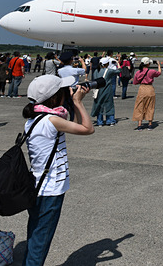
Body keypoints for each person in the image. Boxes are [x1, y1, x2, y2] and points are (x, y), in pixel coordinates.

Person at [22, 74, 94, 266]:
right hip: (50, 189)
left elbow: (78, 126)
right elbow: (88, 128)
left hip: (37, 186)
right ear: (54, 98)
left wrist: (75, 102)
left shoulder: (36, 119)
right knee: (41, 240)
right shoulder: (51, 121)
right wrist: (77, 102)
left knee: (36, 233)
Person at [132, 58, 161, 130]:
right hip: (150, 88)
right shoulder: (151, 71)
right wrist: (159, 65)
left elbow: (135, 82)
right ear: (148, 64)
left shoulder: (138, 72)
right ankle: (150, 124)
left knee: (140, 106)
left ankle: (139, 125)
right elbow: (159, 73)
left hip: (142, 89)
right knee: (150, 106)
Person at [91, 57, 119, 126]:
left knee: (99, 104)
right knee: (109, 104)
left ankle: (99, 121)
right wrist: (117, 63)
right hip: (107, 89)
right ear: (107, 64)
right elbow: (119, 71)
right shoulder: (108, 71)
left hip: (98, 90)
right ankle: (110, 120)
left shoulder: (96, 71)